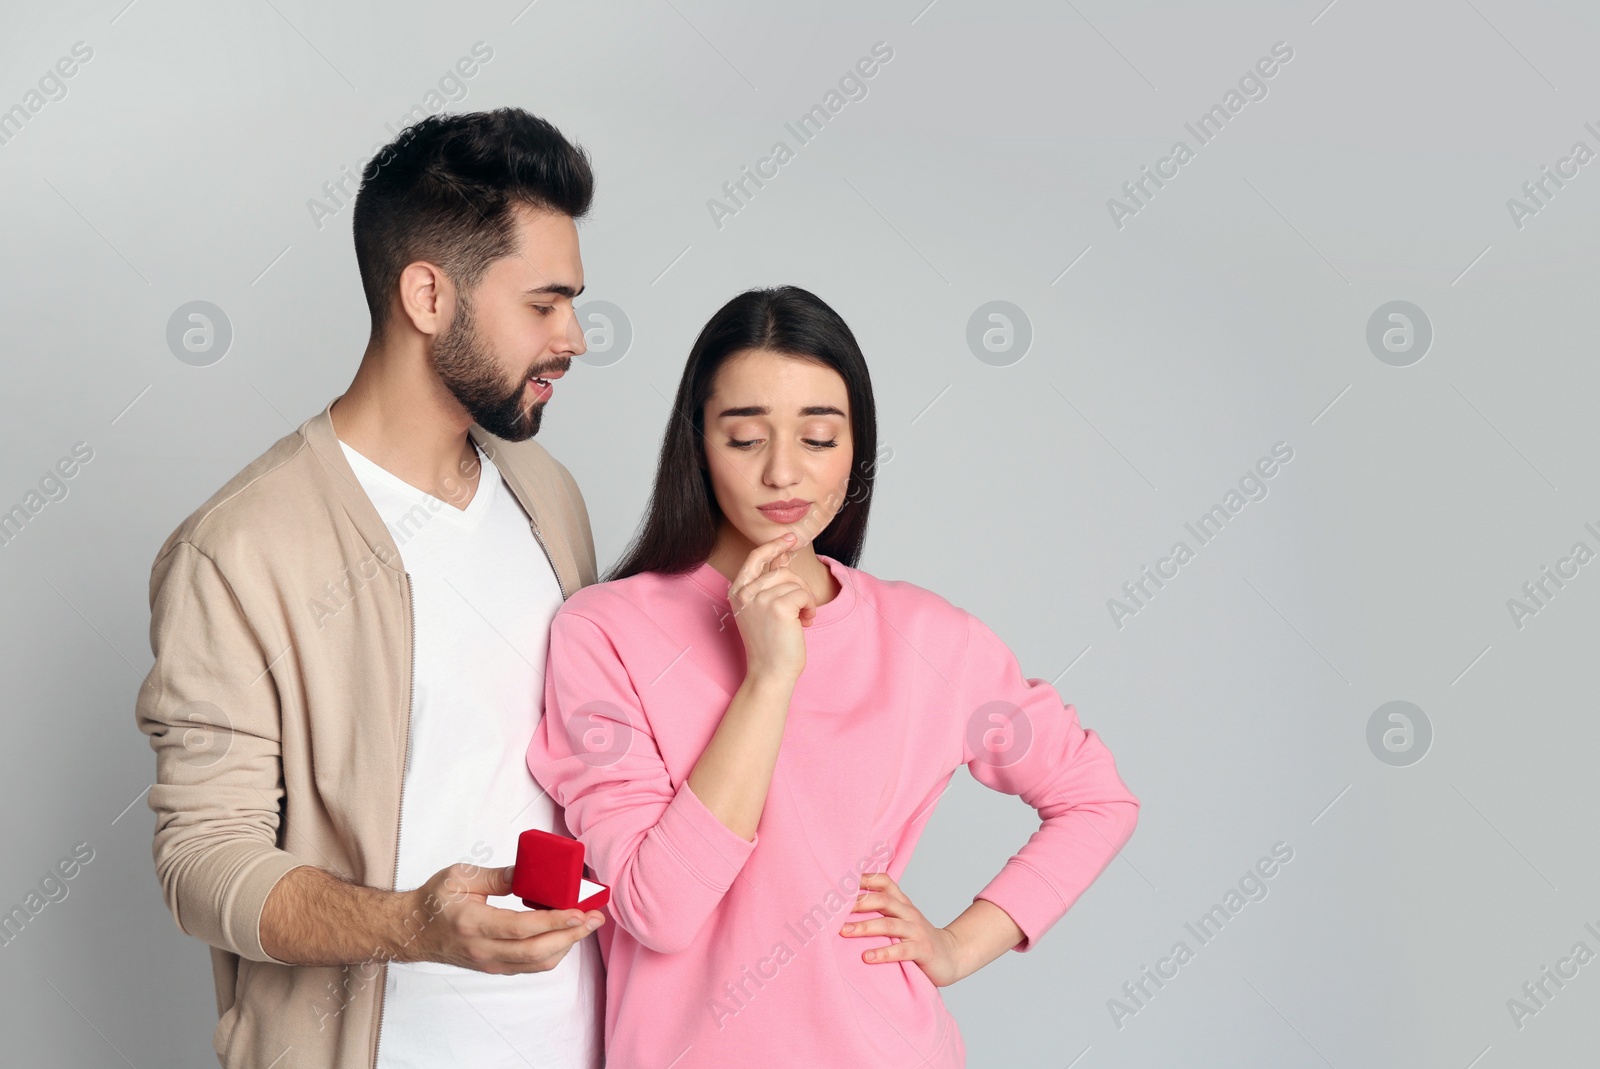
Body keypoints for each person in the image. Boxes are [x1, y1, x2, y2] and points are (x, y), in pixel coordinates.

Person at [526, 285, 1141, 1067]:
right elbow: (659, 908)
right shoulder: (604, 631)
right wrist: (769, 678)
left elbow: (1096, 798)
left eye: (819, 438)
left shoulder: (927, 638)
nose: (784, 472)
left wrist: (958, 945)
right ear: (697, 443)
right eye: (745, 438)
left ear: (857, 450)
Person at [134, 108, 609, 1069]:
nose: (575, 338)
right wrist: (413, 926)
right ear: (428, 295)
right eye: (544, 304)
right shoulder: (239, 549)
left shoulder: (547, 496)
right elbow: (200, 862)